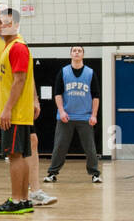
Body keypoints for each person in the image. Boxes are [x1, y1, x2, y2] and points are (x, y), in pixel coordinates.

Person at [0, 5, 54, 208]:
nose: (1, 21)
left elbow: (23, 77)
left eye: (5, 18)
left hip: (14, 109)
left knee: (29, 145)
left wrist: (34, 99)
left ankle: (32, 193)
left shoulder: (17, 44)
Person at [0, 7, 43, 215]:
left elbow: (20, 81)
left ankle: (17, 199)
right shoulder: (9, 47)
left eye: (8, 22)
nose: (3, 25)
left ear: (17, 24)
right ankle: (23, 201)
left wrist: (8, 110)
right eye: (1, 21)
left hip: (16, 113)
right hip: (15, 111)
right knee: (19, 155)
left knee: (14, 156)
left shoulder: (18, 47)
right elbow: (10, 82)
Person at [43, 45, 103, 184]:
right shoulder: (63, 72)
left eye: (79, 51)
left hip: (85, 117)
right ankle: (52, 173)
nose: (76, 52)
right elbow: (57, 93)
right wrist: (61, 111)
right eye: (74, 50)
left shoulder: (90, 73)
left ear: (83, 55)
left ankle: (95, 174)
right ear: (70, 54)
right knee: (59, 146)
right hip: (66, 117)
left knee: (90, 148)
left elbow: (96, 96)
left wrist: (94, 115)